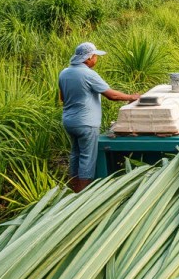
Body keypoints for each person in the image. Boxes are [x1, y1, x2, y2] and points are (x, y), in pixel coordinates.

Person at [58, 42, 140, 192]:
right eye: (95, 56)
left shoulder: (64, 73)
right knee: (87, 158)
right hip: (86, 123)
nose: (96, 59)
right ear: (88, 58)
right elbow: (112, 95)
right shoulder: (88, 74)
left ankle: (73, 189)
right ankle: (83, 194)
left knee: (75, 153)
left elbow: (62, 98)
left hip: (69, 121)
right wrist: (131, 97)